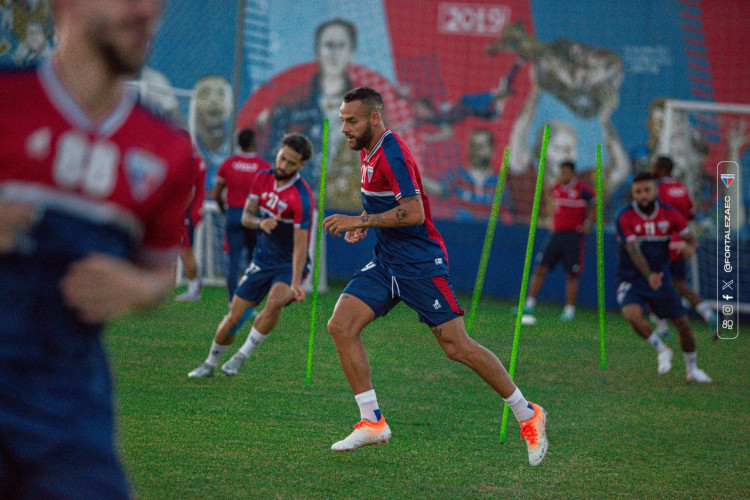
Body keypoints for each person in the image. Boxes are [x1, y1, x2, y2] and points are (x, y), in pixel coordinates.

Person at [0, 0, 194, 497]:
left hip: (68, 416)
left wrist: (136, 287)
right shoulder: (8, 98)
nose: (147, 10)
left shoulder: (166, 150)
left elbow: (159, 275)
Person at [322, 87, 548, 466]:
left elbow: (414, 213)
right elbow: (384, 201)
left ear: (375, 118)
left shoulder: (392, 151)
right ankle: (372, 421)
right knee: (341, 325)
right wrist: (368, 226)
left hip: (419, 264)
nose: (345, 127)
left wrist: (360, 220)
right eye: (343, 119)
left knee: (456, 346)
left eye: (352, 120)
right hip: (388, 260)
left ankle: (529, 415)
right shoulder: (366, 147)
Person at [188, 133, 314, 379]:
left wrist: (296, 282)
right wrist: (260, 223)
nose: (283, 165)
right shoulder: (262, 179)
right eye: (282, 158)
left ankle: (241, 356)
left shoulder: (301, 197)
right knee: (235, 316)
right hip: (262, 260)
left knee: (275, 301)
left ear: (301, 165)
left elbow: (301, 245)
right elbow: (246, 217)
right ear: (278, 153)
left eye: (291, 163)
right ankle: (210, 363)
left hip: (288, 264)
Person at [615, 171, 712, 383]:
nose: (643, 196)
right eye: (638, 192)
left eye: (647, 190)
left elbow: (692, 239)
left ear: (655, 190)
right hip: (632, 279)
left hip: (661, 278)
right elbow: (633, 249)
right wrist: (648, 275)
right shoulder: (624, 216)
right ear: (633, 194)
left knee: (683, 325)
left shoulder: (671, 215)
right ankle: (662, 350)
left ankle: (692, 369)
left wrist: (691, 247)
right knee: (631, 313)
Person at [651, 156, 717, 338]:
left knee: (657, 282)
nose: (652, 168)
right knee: (675, 284)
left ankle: (664, 326)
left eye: (654, 165)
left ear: (662, 169)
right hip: (681, 241)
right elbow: (692, 214)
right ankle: (706, 314)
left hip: (663, 242)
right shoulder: (680, 187)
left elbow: (654, 213)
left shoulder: (659, 188)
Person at [521, 161, 595, 322]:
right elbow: (550, 205)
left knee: (572, 274)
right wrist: (551, 221)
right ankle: (529, 304)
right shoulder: (555, 188)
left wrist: (588, 224)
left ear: (572, 173)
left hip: (574, 237)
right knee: (540, 267)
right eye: (561, 172)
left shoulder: (582, 189)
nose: (563, 175)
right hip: (556, 235)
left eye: (566, 172)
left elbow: (595, 204)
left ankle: (569, 310)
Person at [213, 128, 270, 301]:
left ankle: (232, 301)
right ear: (253, 142)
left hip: (234, 214)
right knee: (253, 261)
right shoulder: (263, 167)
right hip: (253, 217)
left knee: (233, 260)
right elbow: (268, 196)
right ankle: (248, 300)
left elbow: (217, 193)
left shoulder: (228, 164)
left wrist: (225, 211)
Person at [190, 74, 232, 191]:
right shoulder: (185, 150)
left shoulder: (238, 149)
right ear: (194, 104)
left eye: (221, 94)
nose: (213, 101)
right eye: (204, 94)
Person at [175, 152, 207, 302]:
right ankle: (195, 283)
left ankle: (194, 287)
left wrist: (177, 211)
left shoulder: (191, 162)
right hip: (193, 212)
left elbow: (190, 192)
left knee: (185, 251)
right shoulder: (197, 160)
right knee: (184, 250)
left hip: (187, 214)